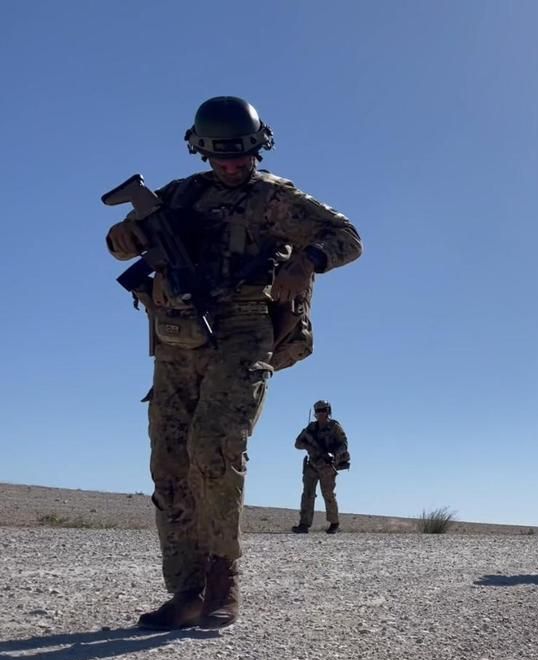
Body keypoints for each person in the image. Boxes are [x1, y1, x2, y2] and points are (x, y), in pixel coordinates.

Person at [105, 96, 363, 630]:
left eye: (240, 157)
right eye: (220, 157)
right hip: (178, 336)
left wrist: (307, 261)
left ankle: (224, 582)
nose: (230, 167)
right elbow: (119, 247)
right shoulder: (178, 197)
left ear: (257, 149)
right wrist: (124, 237)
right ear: (200, 150)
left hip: (244, 330)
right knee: (171, 463)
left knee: (215, 448)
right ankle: (186, 592)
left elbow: (347, 238)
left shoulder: (275, 198)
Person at [292, 400, 350, 534]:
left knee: (328, 494)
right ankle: (304, 524)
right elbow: (297, 443)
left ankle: (334, 523)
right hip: (312, 464)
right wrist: (309, 446)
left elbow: (344, 444)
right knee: (307, 494)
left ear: (328, 411)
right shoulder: (311, 428)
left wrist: (333, 453)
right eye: (318, 411)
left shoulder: (334, 427)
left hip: (327, 466)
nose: (320, 413)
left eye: (323, 410)